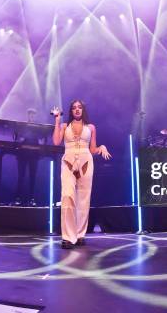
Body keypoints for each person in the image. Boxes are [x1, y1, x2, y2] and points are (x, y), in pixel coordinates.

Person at [52, 100, 111, 249]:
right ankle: (67, 237)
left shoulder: (91, 128)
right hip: (68, 162)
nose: (77, 110)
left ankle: (79, 235)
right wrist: (57, 120)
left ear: (83, 110)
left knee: (83, 199)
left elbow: (92, 149)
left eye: (79, 107)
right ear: (71, 111)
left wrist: (102, 147)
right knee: (67, 196)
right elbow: (56, 141)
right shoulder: (65, 126)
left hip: (86, 162)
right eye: (74, 108)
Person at [15, 108, 41, 206]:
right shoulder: (23, 126)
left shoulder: (39, 128)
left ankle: (31, 199)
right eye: (30, 114)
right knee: (21, 177)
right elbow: (19, 139)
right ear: (28, 115)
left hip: (34, 155)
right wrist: (23, 136)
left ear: (35, 116)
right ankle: (18, 198)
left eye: (33, 115)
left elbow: (42, 141)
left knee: (33, 177)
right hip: (23, 154)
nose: (32, 116)